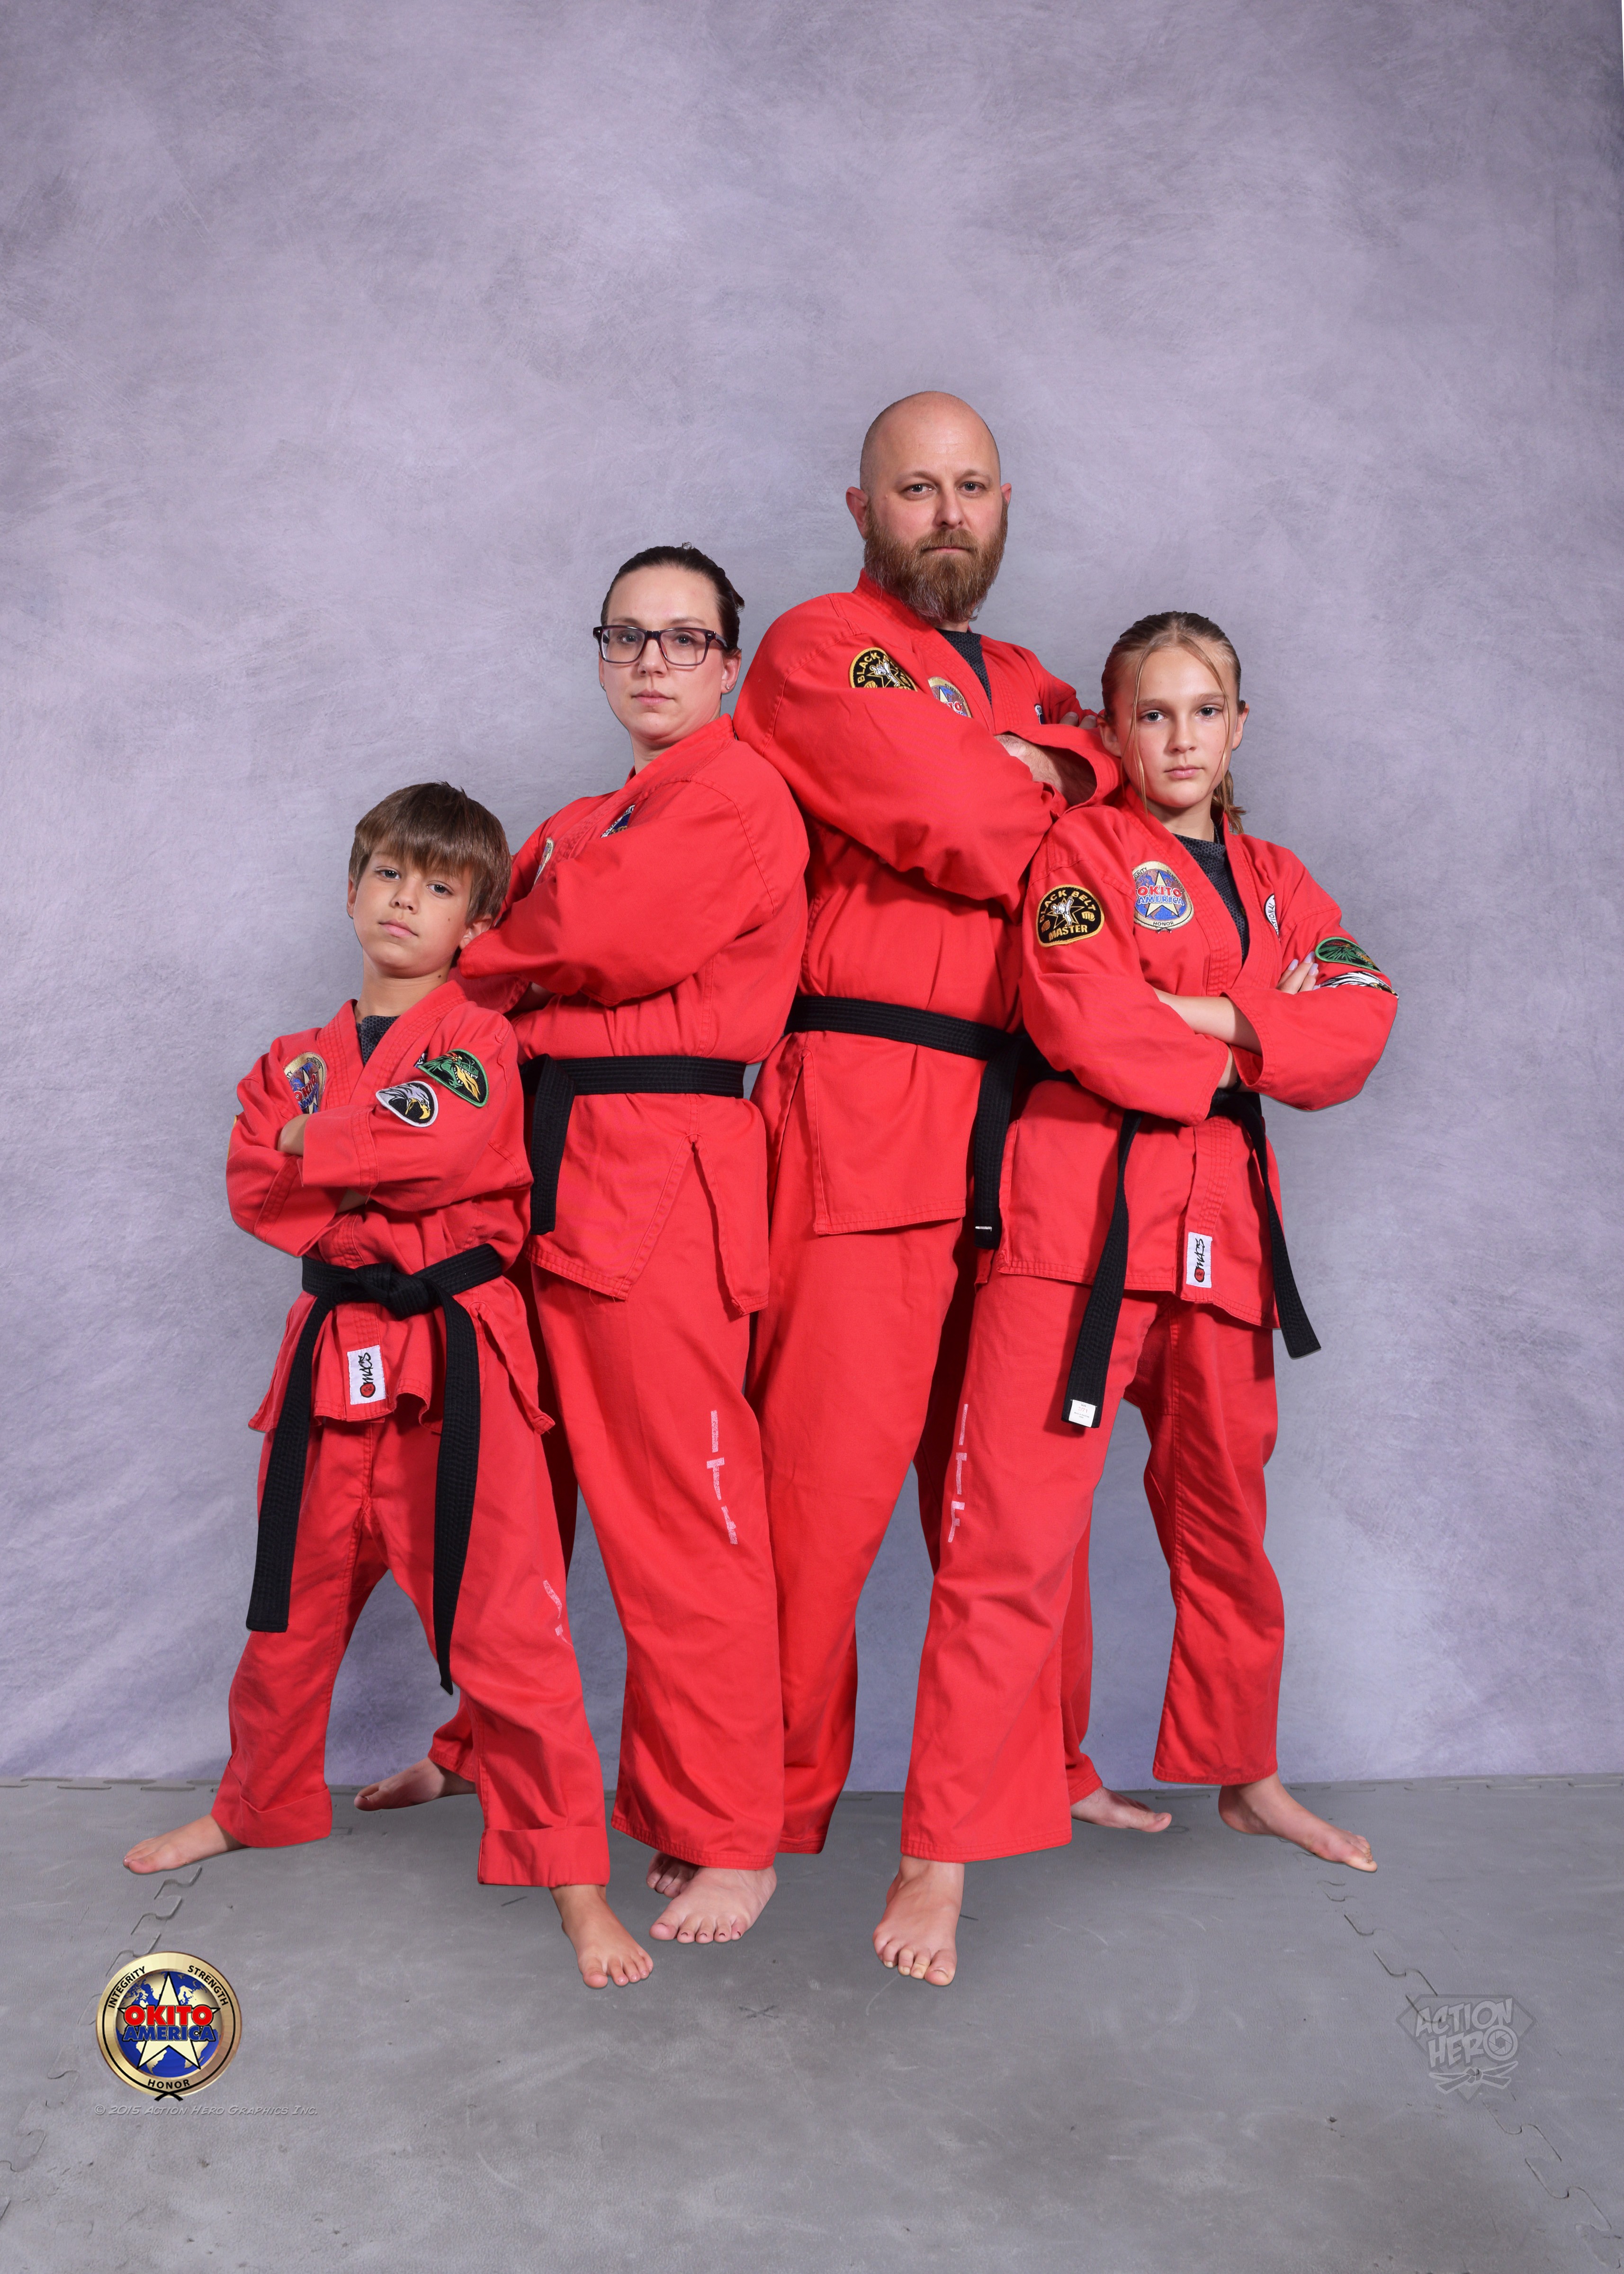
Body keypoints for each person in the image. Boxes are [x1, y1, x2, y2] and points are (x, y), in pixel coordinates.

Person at [878, 612, 1398, 1985]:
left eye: (1201, 710)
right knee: (1005, 1549)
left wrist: (1215, 1020)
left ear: (1237, 725)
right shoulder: (1080, 854)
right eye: (1148, 715)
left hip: (1222, 1234)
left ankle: (1240, 1768)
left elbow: (1358, 1019)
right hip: (1076, 1234)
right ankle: (935, 1853)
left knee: (1227, 1524)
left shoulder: (1283, 880)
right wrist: (1254, 1027)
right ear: (1108, 735)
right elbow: (1079, 1016)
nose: (1176, 738)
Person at [124, 783, 649, 1992]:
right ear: (353, 891)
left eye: (440, 885)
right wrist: (348, 1150)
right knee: (285, 1617)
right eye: (389, 876)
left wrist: (331, 1147)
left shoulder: (479, 1042)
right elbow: (259, 1183)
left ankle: (574, 1882)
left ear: (477, 922)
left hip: (454, 1373)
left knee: (509, 1637)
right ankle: (257, 1804)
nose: (407, 899)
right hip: (325, 1372)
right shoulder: (289, 1059)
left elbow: (443, 1146)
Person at [362, 548, 808, 1946]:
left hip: (658, 1181)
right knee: (507, 1503)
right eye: (629, 635)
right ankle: (498, 1747)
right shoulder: (579, 813)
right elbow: (531, 946)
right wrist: (517, 981)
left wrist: (492, 972)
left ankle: (728, 1832)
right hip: (538, 1173)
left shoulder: (737, 793)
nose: (655, 660)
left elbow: (599, 937)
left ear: (727, 663)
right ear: (602, 654)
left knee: (682, 1524)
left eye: (685, 638)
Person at [735, 391, 1160, 1858]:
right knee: (821, 1483)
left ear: (1003, 503)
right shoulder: (815, 644)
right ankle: (758, 1807)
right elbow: (966, 828)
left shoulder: (1037, 679)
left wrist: (1067, 766)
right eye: (913, 488)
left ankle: (1036, 1770)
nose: (946, 513)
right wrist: (1033, 783)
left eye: (971, 485)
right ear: (861, 510)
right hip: (863, 1102)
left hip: (1033, 1112)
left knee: (1019, 1485)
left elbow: (1113, 808)